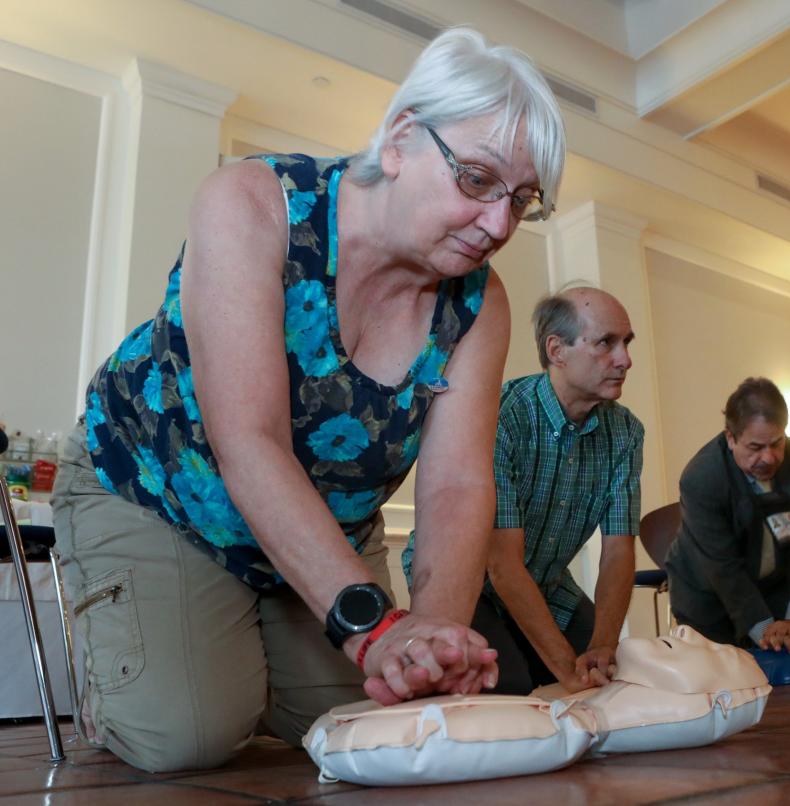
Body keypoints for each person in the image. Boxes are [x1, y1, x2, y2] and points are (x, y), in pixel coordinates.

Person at [50, 28, 565, 772]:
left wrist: (431, 648)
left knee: (373, 723)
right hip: (158, 489)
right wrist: (369, 628)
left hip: (324, 521)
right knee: (187, 736)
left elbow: (456, 485)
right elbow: (249, 442)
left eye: (521, 201)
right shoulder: (251, 204)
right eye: (478, 181)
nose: (499, 226)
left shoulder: (481, 306)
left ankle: (247, 647)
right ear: (399, 139)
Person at [409, 287, 643, 694]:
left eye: (625, 343)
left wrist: (604, 645)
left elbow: (619, 550)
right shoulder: (500, 417)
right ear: (557, 349)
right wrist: (567, 668)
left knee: (616, 676)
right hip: (468, 581)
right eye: (606, 342)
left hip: (547, 585)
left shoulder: (626, 433)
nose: (624, 359)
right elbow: (502, 567)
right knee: (510, 685)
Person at [666, 377, 790, 653]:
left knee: (788, 678)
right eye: (755, 447)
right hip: (709, 599)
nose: (768, 458)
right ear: (730, 438)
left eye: (777, 443)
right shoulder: (701, 477)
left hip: (775, 591)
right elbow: (722, 566)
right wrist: (764, 630)